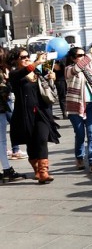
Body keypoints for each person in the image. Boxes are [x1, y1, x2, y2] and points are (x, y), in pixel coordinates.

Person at [9, 49, 60, 184]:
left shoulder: (36, 72)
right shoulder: (15, 74)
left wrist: (51, 79)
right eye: (23, 57)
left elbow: (45, 89)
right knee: (31, 142)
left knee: (42, 139)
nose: (26, 58)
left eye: (27, 56)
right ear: (16, 60)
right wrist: (37, 62)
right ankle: (37, 169)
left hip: (41, 112)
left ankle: (44, 171)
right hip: (24, 114)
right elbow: (23, 72)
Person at [65, 45, 92, 173]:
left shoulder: (87, 66)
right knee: (80, 135)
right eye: (79, 55)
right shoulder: (69, 69)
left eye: (83, 55)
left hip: (91, 105)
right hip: (75, 107)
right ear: (72, 58)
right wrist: (89, 53)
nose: (82, 57)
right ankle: (79, 158)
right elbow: (79, 66)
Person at [0, 48, 26, 182]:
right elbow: (3, 90)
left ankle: (6, 169)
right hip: (0, 108)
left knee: (2, 141)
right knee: (1, 141)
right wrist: (8, 83)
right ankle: (6, 169)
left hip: (2, 108)